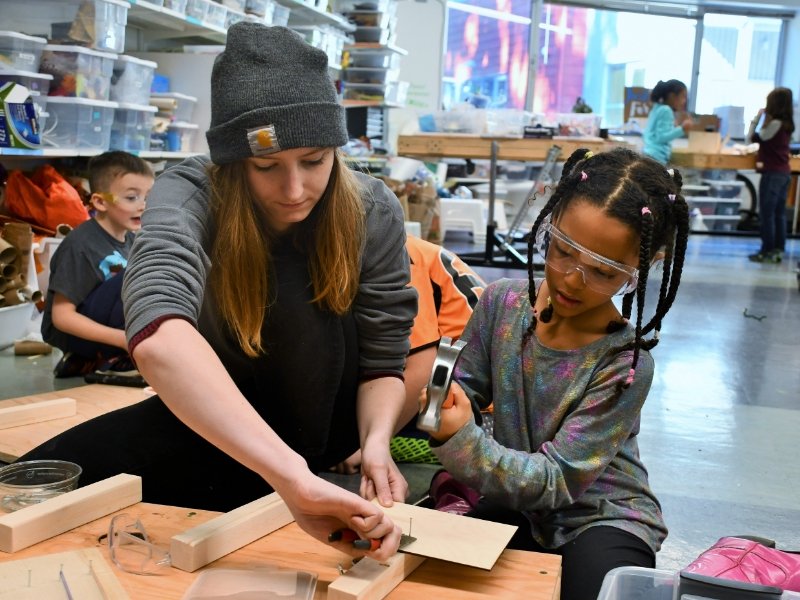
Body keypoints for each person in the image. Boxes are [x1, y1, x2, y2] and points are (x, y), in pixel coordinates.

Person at [19, 23, 417, 561]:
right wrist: (289, 479)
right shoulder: (191, 191)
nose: (295, 189)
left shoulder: (372, 209)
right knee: (30, 485)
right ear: (233, 161)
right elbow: (158, 330)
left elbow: (383, 361)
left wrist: (375, 445)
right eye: (267, 166)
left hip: (323, 427)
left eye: (315, 160)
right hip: (218, 418)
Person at [427, 147, 690, 600]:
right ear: (548, 218)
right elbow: (459, 389)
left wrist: (460, 438)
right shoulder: (500, 306)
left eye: (604, 272)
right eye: (563, 250)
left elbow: (557, 480)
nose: (571, 280)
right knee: (439, 579)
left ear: (646, 268)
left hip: (601, 516)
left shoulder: (625, 364)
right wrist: (433, 398)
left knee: (599, 591)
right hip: (515, 501)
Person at [332, 235, 486, 474]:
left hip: (475, 412)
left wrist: (364, 447)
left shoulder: (391, 255)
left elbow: (422, 365)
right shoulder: (392, 244)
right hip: (457, 390)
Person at [42, 151, 153, 383]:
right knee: (138, 273)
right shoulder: (81, 245)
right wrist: (123, 338)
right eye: (132, 198)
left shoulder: (132, 238)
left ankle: (103, 357)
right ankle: (106, 357)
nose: (143, 206)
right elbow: (62, 317)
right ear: (100, 202)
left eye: (148, 197)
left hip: (109, 328)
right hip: (74, 333)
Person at [746, 87, 795, 263]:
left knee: (767, 214)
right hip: (783, 174)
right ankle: (777, 251)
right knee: (779, 214)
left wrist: (757, 118)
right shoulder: (787, 125)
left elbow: (752, 138)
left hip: (772, 175)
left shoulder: (775, 124)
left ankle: (767, 251)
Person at [642, 79, 693, 165]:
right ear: (672, 96)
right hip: (656, 157)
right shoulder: (666, 110)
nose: (684, 101)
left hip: (649, 153)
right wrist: (682, 129)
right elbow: (662, 137)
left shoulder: (657, 107)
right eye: (683, 96)